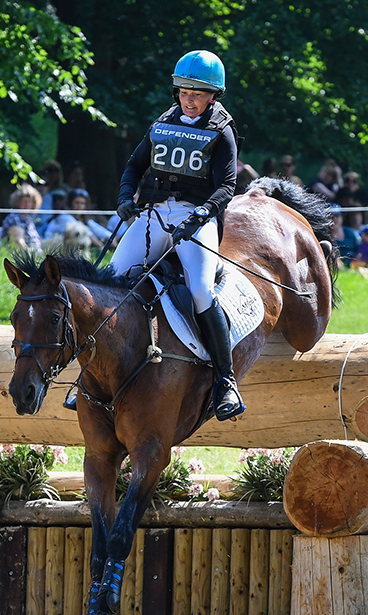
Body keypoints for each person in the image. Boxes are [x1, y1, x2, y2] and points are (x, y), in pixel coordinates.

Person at [101, 49, 243, 421]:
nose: (189, 99)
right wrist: (124, 200)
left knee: (200, 289)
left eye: (197, 93)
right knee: (113, 281)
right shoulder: (163, 123)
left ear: (213, 96)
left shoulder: (222, 131)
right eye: (183, 91)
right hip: (155, 213)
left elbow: (227, 186)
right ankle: (95, 375)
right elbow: (134, 166)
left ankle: (225, 381)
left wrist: (200, 214)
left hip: (198, 218)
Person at [43, 188, 116, 247]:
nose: (80, 206)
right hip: (51, 248)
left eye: (82, 203)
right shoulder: (64, 217)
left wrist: (111, 239)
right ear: (70, 204)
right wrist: (102, 249)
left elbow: (102, 232)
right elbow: (89, 234)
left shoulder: (84, 220)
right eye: (77, 203)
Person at [2, 184, 44, 252]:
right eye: (24, 201)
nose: (27, 204)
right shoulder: (13, 218)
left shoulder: (29, 219)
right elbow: (18, 242)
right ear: (18, 202)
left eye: (29, 201)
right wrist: (32, 257)